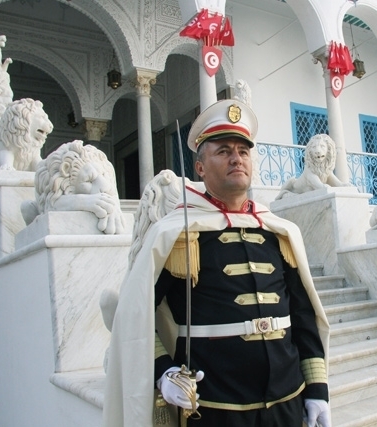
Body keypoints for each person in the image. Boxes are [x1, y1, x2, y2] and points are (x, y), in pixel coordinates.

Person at [103, 99, 331, 427]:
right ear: (200, 167)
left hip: (287, 402)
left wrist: (317, 389)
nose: (236, 158)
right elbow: (136, 314)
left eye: (242, 151)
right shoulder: (176, 232)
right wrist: (163, 371)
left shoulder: (279, 231)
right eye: (223, 151)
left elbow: (304, 315)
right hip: (213, 407)